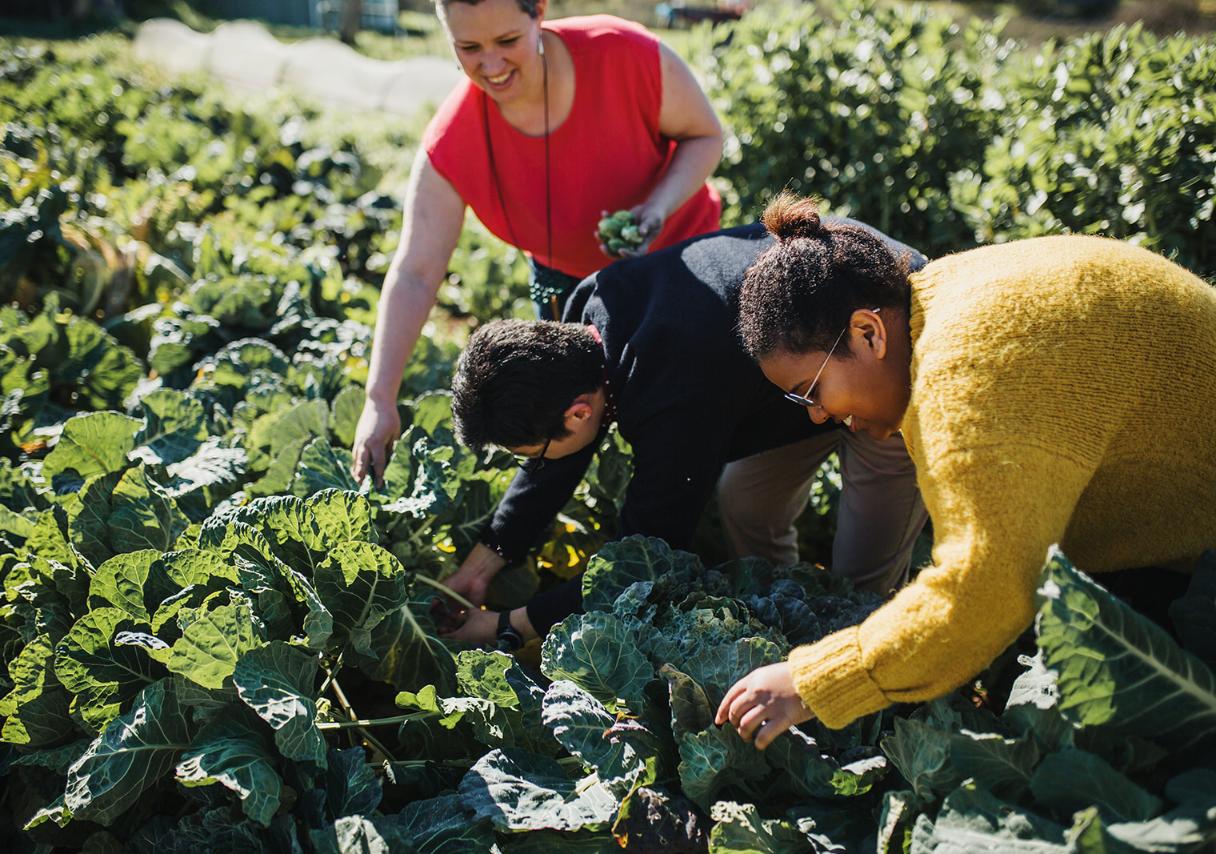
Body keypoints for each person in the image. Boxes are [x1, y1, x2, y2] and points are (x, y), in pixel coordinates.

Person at [714, 194, 1216, 749]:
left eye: (812, 389)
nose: (816, 415)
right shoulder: (940, 302)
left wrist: (810, 683)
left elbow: (983, 592)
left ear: (868, 333)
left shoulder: (965, 379)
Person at [437, 219, 931, 646]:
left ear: (579, 413)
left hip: (866, 353)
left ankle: (864, 656)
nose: (539, 463)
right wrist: (481, 568)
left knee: (860, 578)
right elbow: (556, 459)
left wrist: (509, 624)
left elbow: (644, 553)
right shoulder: (585, 318)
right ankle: (795, 626)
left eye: (536, 452)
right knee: (746, 504)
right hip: (788, 382)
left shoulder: (672, 396)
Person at [350, 0, 724, 485]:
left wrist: (657, 207)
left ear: (539, 12)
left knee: (680, 419)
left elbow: (705, 135)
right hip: (567, 283)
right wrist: (379, 399)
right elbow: (416, 273)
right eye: (468, 47)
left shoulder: (623, 55)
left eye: (507, 42)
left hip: (680, 262)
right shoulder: (453, 142)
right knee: (564, 423)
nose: (491, 65)